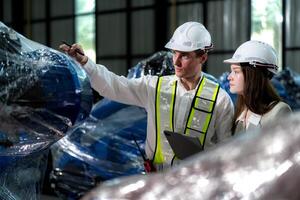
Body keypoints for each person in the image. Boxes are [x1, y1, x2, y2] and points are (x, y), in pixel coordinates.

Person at [60, 21, 234, 171]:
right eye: (174, 53)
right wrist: (86, 63)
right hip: (158, 180)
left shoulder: (220, 100)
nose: (176, 61)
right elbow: (113, 86)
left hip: (195, 184)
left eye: (185, 56)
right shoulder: (155, 87)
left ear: (203, 58)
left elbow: (227, 150)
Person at [224, 40, 292, 135]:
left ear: (253, 75)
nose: (229, 77)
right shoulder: (241, 111)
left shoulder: (279, 112)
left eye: (236, 71)